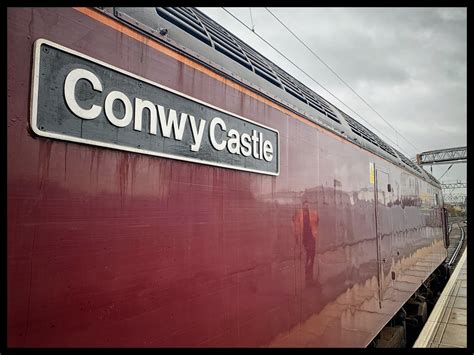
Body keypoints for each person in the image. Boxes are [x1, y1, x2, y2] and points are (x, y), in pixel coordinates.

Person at [294, 200, 319, 285]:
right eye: (305, 205)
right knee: (309, 253)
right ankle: (308, 272)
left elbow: (317, 221)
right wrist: (297, 236)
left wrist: (315, 232)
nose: (306, 206)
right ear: (303, 205)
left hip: (312, 236)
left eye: (308, 204)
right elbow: (297, 225)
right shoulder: (299, 214)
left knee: (313, 253)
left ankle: (309, 268)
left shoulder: (313, 213)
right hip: (305, 237)